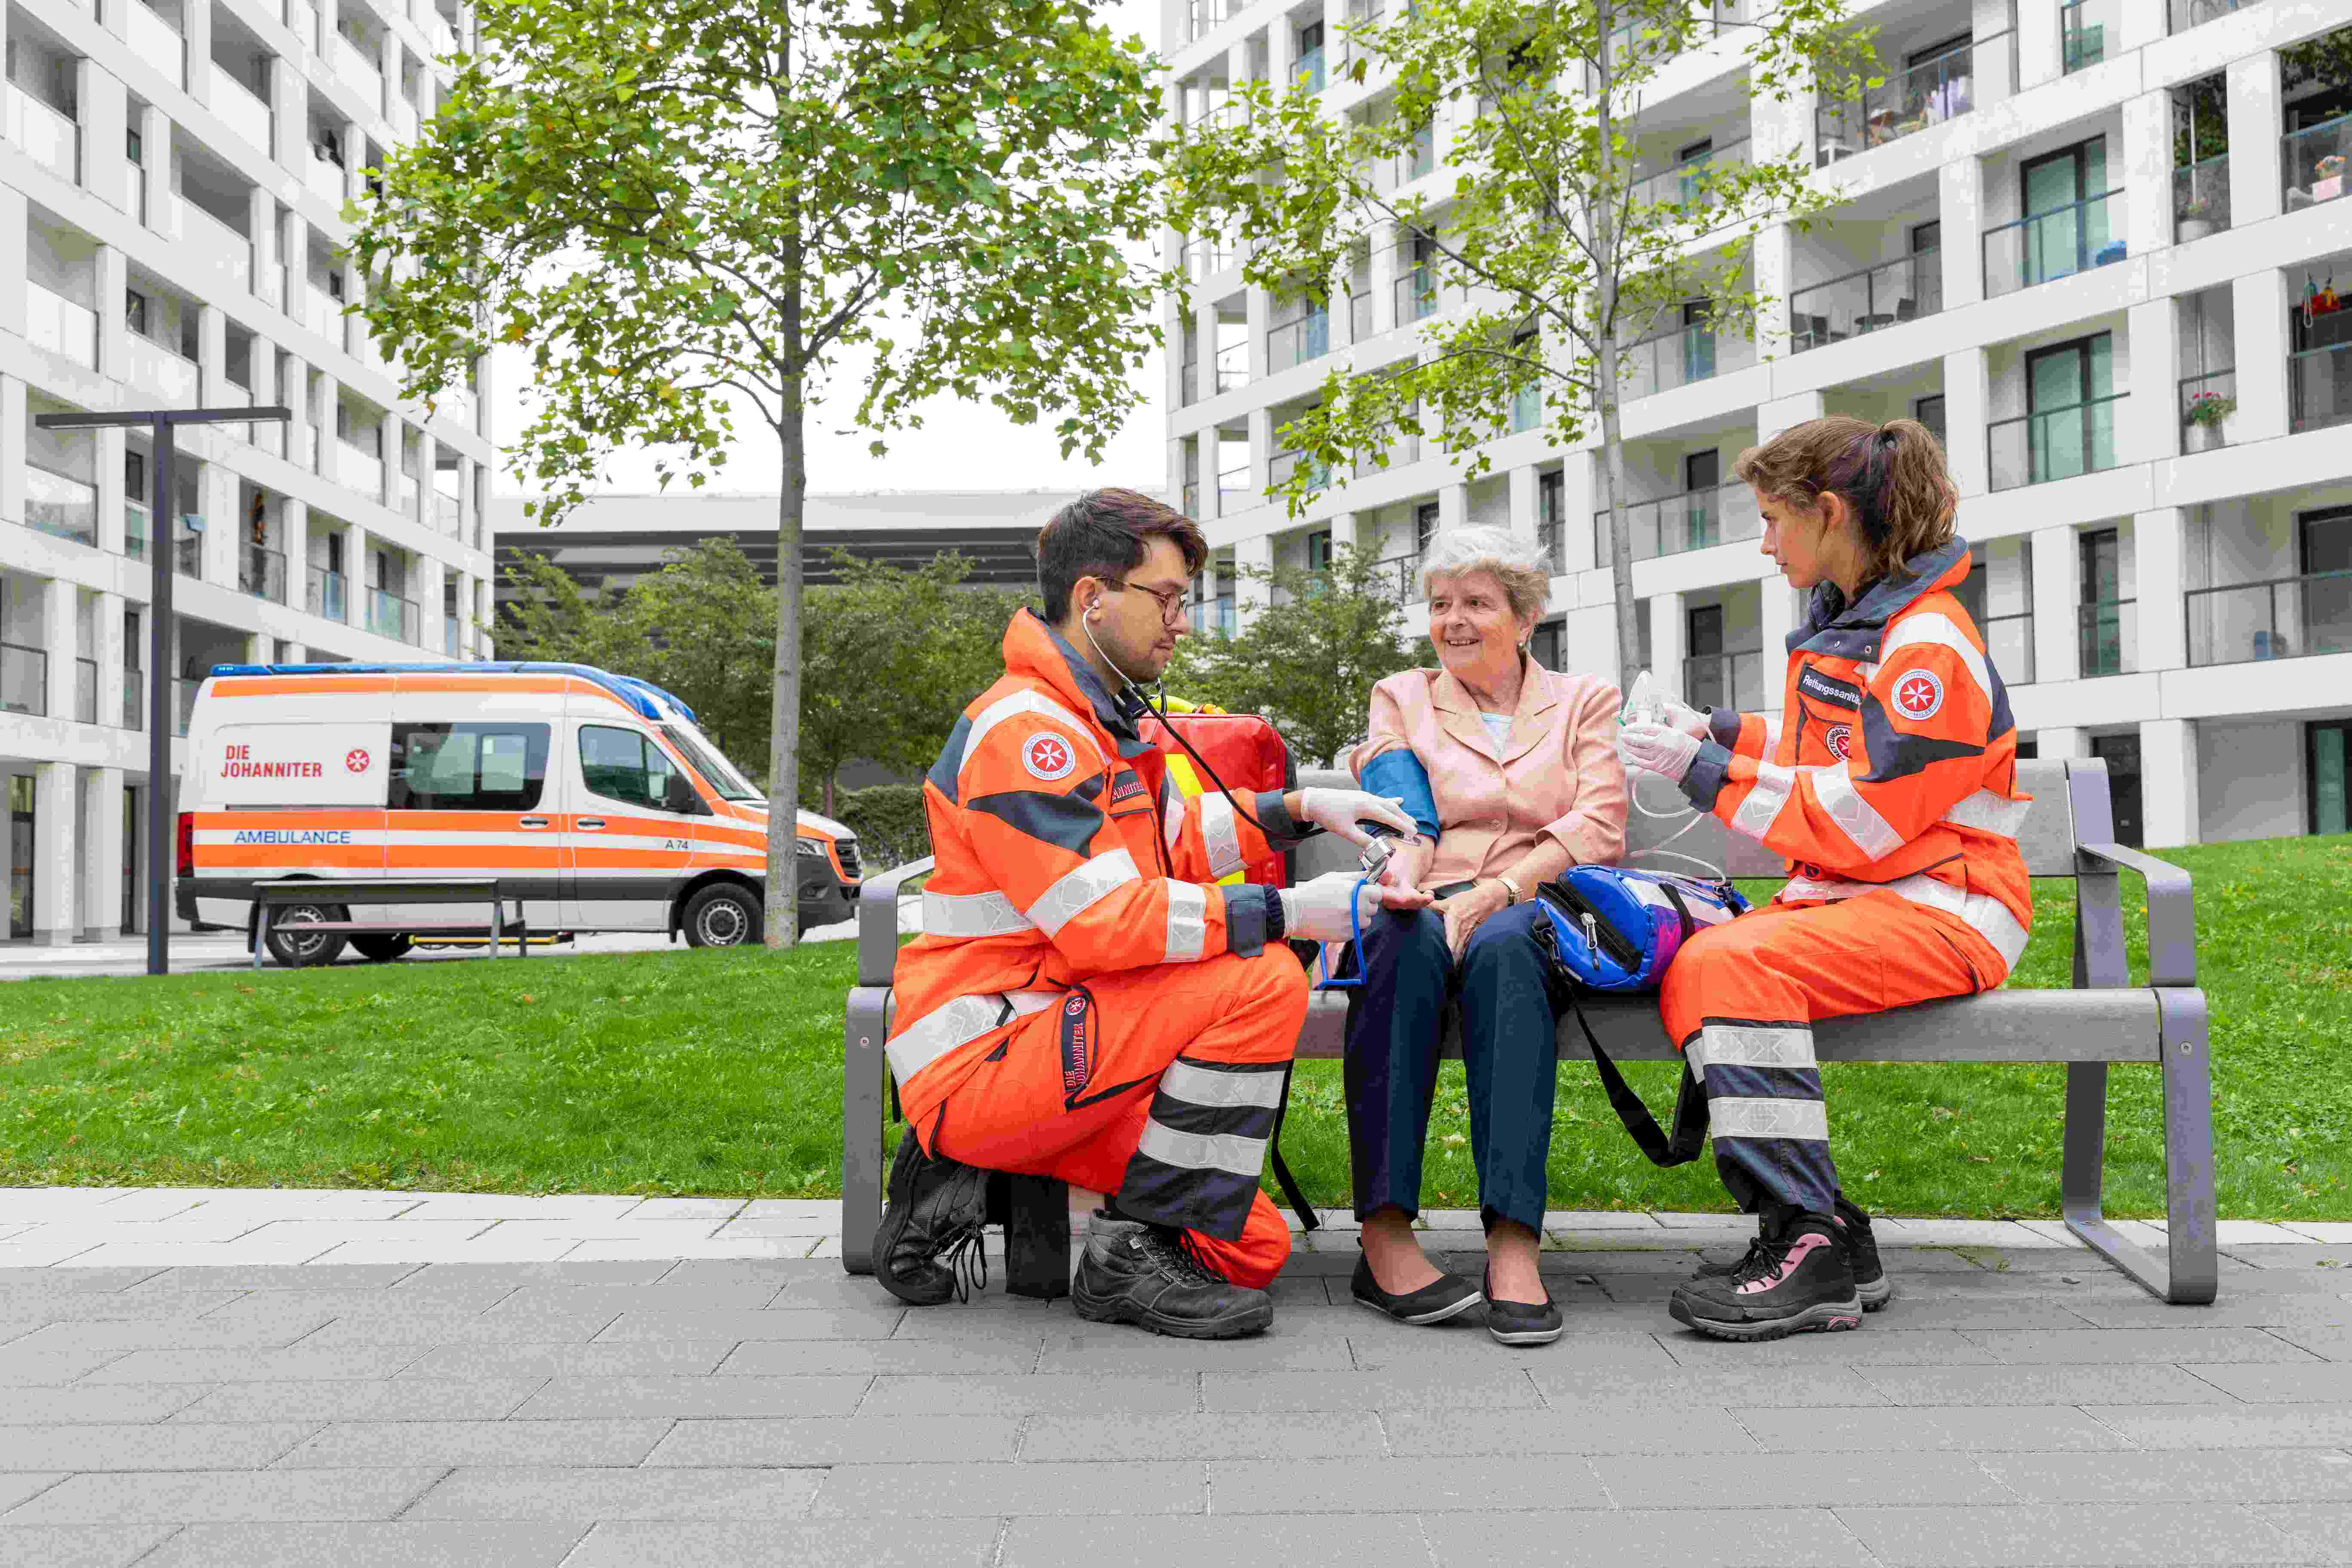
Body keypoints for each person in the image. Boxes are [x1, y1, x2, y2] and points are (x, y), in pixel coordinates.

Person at [874, 488, 1429, 1339]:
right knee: (1262, 976)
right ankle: (1112, 1250)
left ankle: (982, 1170)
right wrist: (1291, 911)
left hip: (1063, 1033)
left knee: (1251, 1248)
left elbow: (1171, 843)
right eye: (1167, 600)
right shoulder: (1030, 734)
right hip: (988, 1052)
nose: (1182, 624)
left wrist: (1302, 809)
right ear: (1093, 599)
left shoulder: (1096, 721)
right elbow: (1104, 922)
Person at [1616, 416, 2032, 1343]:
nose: (1765, 544)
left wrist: (1701, 771)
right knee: (1709, 960)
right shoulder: (1866, 621)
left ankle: (1810, 1247)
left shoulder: (1926, 647)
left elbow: (1866, 817)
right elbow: (1825, 746)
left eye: (1773, 519)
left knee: (1730, 966)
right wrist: (1712, 730)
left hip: (1951, 904)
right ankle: (1825, 1229)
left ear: (1831, 513)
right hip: (1891, 897)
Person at [1342, 527, 1627, 1346]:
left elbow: (1601, 821)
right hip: (1428, 889)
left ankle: (1513, 1242)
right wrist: (1408, 871)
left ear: (1526, 617)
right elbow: (1397, 801)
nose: (1454, 621)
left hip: (1534, 900)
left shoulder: (1584, 700)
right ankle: (1384, 1238)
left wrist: (1499, 889)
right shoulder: (1402, 694)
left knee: (1506, 949)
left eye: (1476, 603)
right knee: (1398, 941)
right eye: (1441, 605)